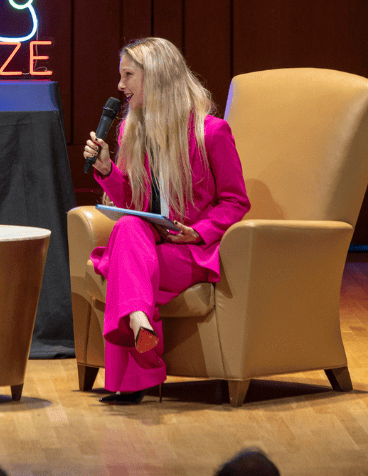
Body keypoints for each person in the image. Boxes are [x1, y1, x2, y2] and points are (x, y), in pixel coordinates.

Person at [83, 37, 250, 405]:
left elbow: (236, 201)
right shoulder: (131, 131)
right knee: (127, 226)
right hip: (147, 244)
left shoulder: (212, 132)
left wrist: (198, 232)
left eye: (128, 75)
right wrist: (107, 170)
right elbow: (134, 204)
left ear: (156, 77)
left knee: (124, 264)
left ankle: (136, 370)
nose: (120, 85)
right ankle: (140, 323)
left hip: (189, 252)